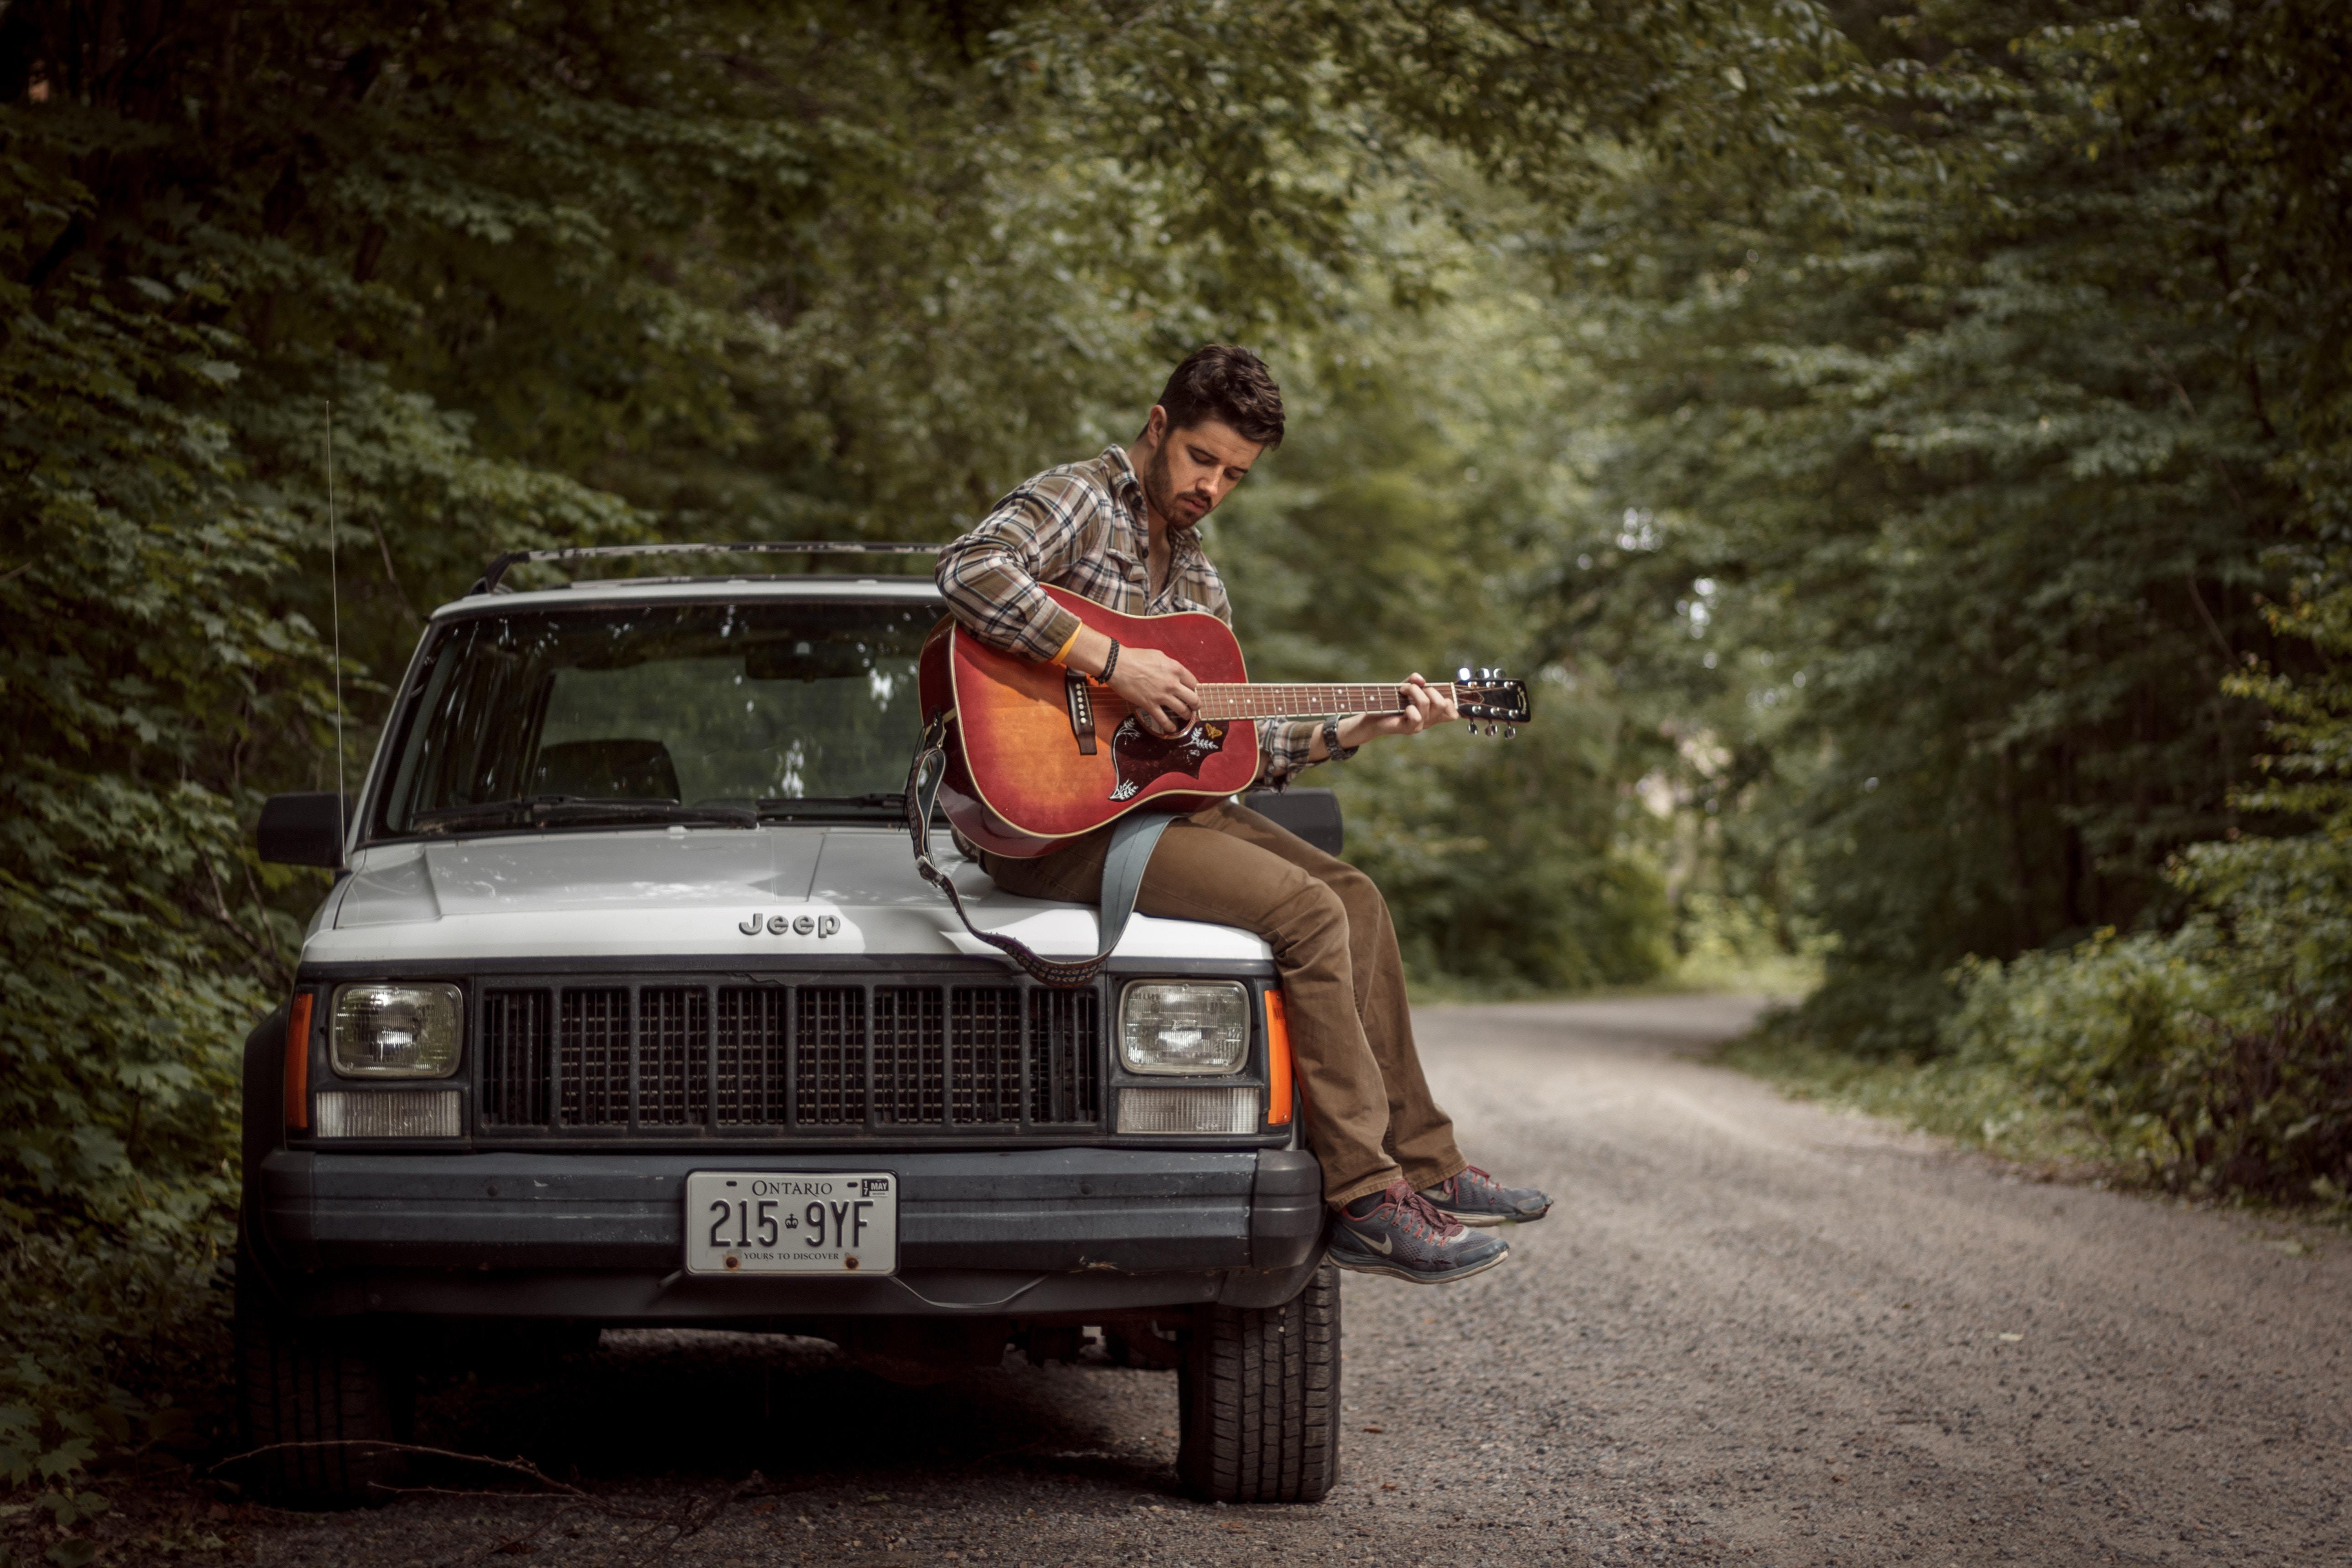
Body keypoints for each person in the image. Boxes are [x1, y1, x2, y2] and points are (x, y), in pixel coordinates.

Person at [935, 344, 1551, 1285]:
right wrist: (1111, 663)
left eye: (1234, 475)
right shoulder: (1081, 498)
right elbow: (969, 571)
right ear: (1157, 428)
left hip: (1148, 811)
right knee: (1304, 914)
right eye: (1201, 460)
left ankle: (1427, 1164)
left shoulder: (1197, 582)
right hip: (1046, 826)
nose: (1212, 486)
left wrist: (1357, 729)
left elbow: (1228, 752)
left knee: (1352, 898)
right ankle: (1363, 1200)